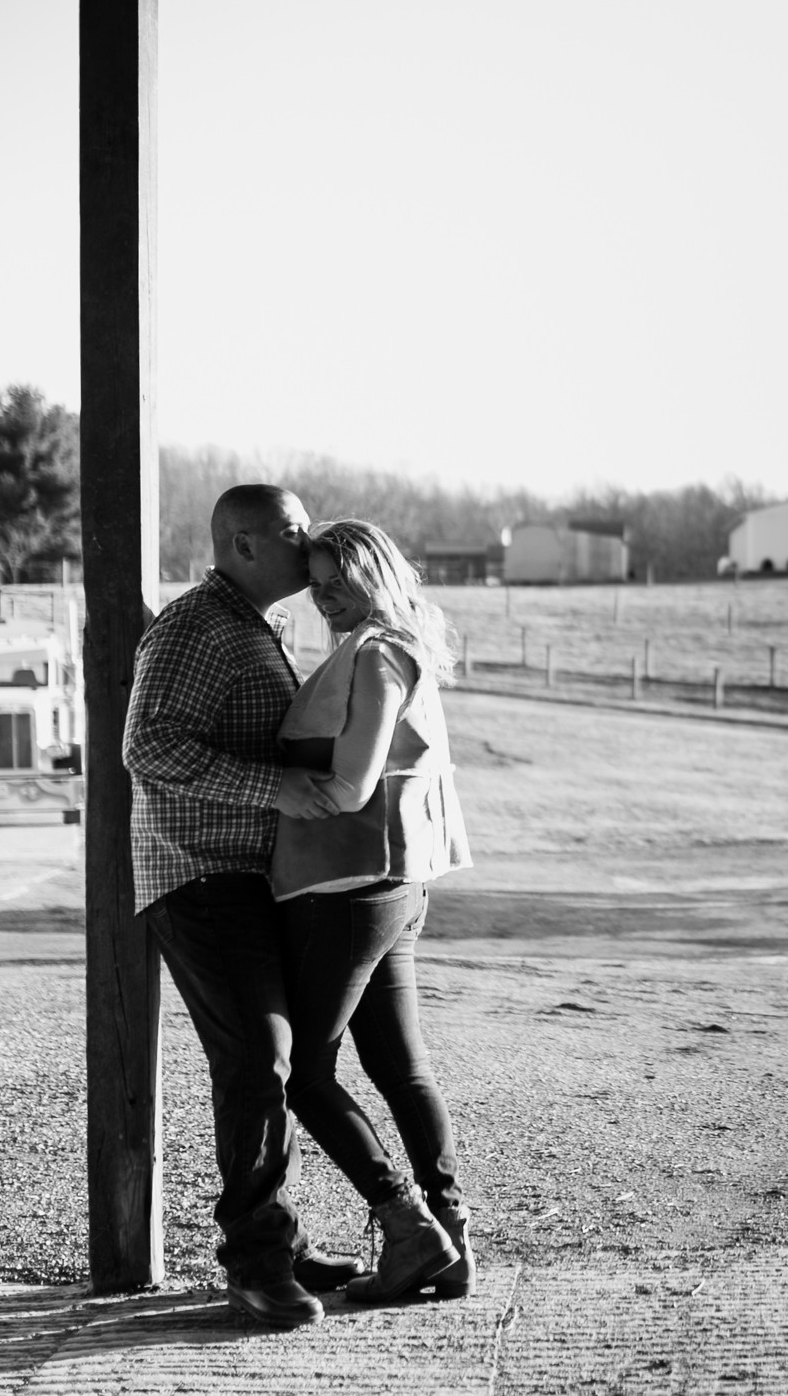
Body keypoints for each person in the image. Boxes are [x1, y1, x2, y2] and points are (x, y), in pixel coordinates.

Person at [122, 483, 350, 1330]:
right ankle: (255, 1264)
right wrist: (279, 785)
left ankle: (278, 1247)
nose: (311, 539)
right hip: (198, 873)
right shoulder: (194, 626)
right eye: (296, 531)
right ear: (247, 543)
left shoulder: (256, 625)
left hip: (250, 877)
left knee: (275, 1061)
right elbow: (146, 747)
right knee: (258, 1056)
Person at [271, 518, 476, 1305]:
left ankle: (407, 1222)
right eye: (316, 581)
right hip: (392, 886)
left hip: (347, 889)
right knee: (397, 1066)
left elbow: (354, 783)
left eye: (338, 580)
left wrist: (268, 781)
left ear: (376, 575)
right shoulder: (380, 646)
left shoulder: (377, 653)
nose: (324, 595)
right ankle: (449, 1241)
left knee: (307, 1076)